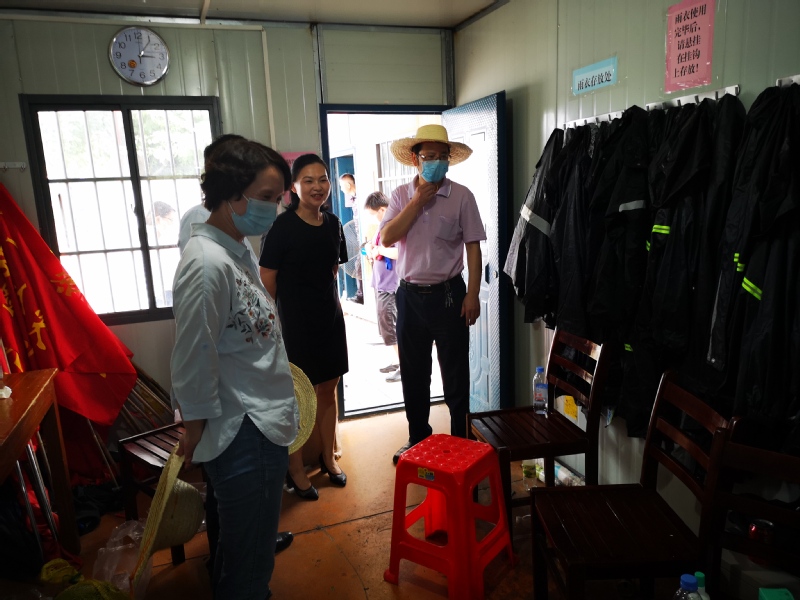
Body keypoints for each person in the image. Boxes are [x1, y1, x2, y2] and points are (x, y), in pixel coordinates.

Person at [171, 138, 295, 599]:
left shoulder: (236, 250)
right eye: (265, 197)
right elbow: (193, 354)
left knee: (242, 550)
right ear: (231, 194)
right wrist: (194, 429)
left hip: (257, 418)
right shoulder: (207, 264)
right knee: (249, 567)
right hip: (242, 430)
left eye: (277, 198)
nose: (272, 208)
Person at [380, 124, 485, 465]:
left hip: (450, 296)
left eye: (442, 157)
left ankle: (461, 441)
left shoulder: (462, 196)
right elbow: (387, 237)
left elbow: (473, 248)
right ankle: (417, 438)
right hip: (409, 297)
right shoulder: (400, 195)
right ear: (415, 160)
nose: (436, 163)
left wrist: (473, 294)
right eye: (429, 156)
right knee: (414, 374)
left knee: (455, 375)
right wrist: (416, 203)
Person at [260, 153, 349, 500]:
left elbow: (333, 270)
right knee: (296, 398)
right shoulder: (281, 228)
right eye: (308, 180)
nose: (317, 186)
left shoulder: (334, 223)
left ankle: (329, 458)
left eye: (323, 179)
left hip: (330, 319)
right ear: (294, 188)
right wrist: (274, 327)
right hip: (294, 325)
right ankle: (295, 470)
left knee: (328, 390)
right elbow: (267, 280)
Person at [362, 191, 401, 383]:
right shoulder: (382, 226)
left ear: (383, 210)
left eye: (373, 213)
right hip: (380, 282)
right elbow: (370, 244)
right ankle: (397, 360)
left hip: (390, 284)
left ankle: (404, 365)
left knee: (391, 325)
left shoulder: (395, 226)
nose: (372, 218)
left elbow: (399, 253)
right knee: (386, 325)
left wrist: (379, 250)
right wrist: (370, 248)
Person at [339, 172, 364, 304]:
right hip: (359, 239)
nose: (341, 189)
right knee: (358, 266)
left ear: (348, 185)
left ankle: (361, 295)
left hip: (364, 239)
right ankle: (361, 294)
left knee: (359, 267)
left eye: (342, 186)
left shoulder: (361, 198)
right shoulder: (354, 199)